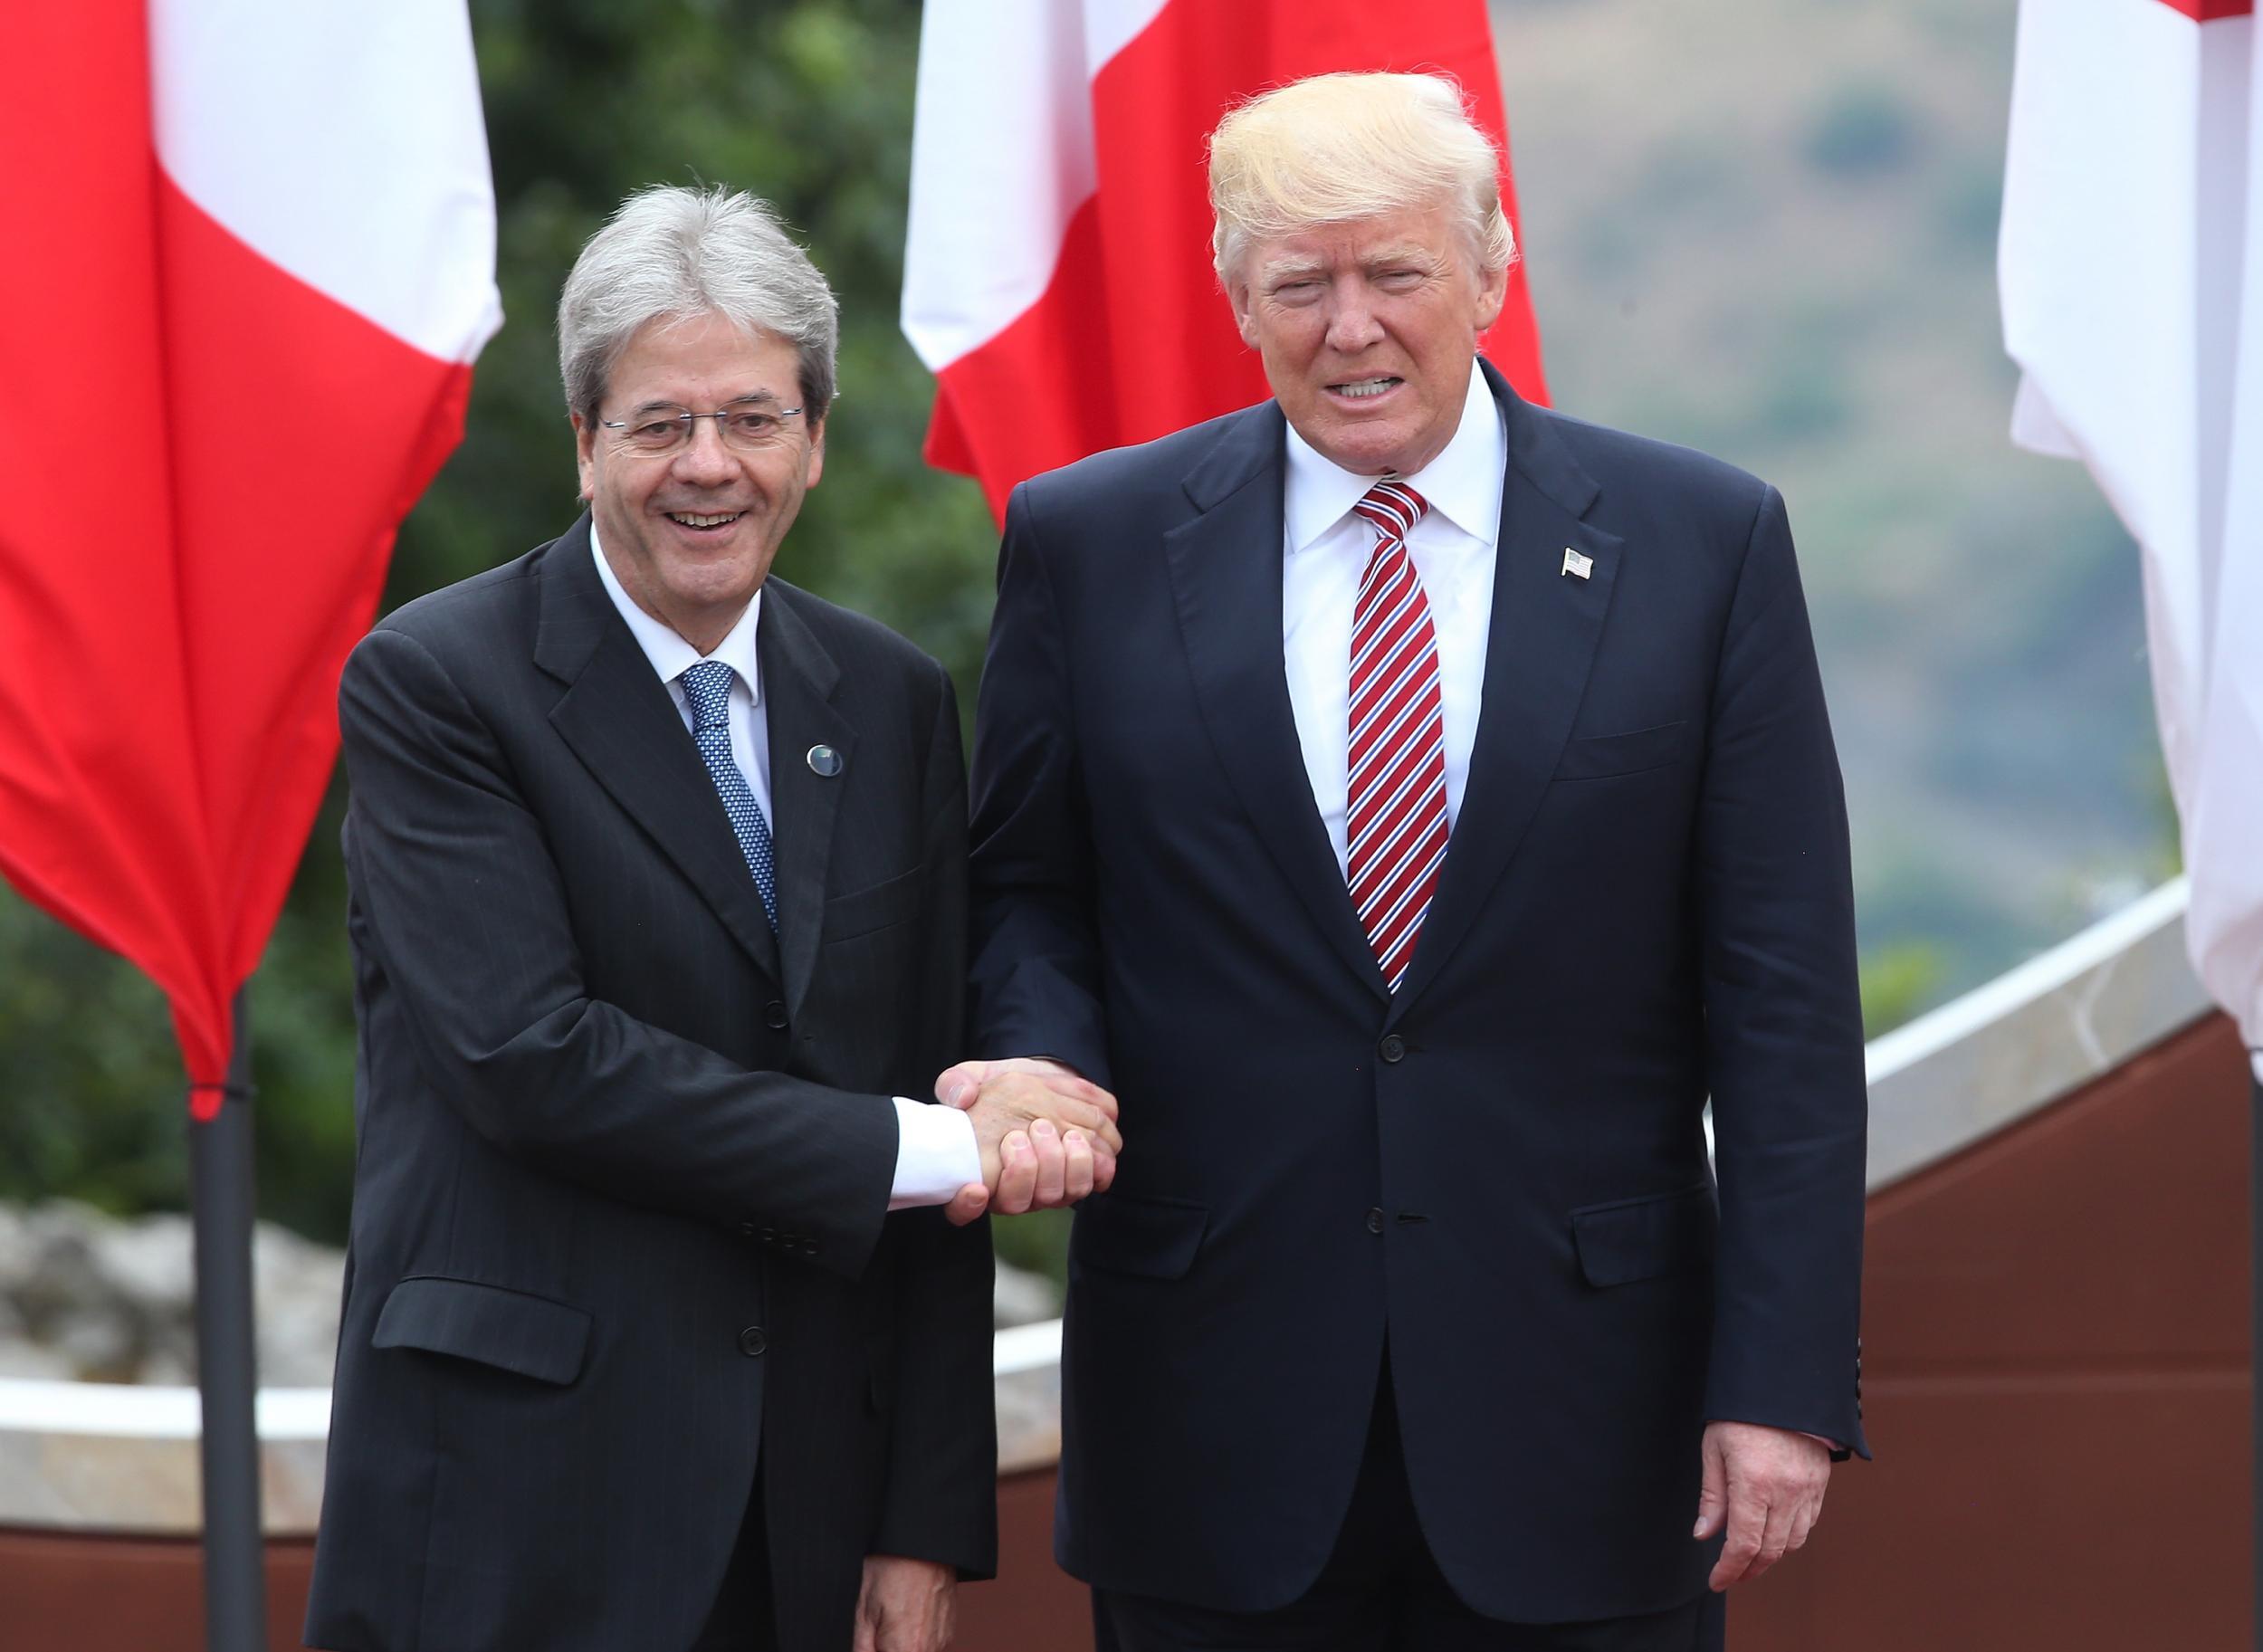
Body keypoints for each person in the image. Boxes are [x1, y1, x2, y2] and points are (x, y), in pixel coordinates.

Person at [959, 72, 1868, 1651]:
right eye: (1301, 283)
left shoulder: (1700, 541)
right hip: (1213, 1408)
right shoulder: (1089, 540)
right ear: (1238, 296)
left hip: (1594, 1417)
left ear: (1491, 271)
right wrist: (1039, 1059)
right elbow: (1028, 883)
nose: (1351, 325)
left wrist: (1783, 1383)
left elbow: (1783, 996)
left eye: (1395, 274)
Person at [305, 185, 1119, 1652]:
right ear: (583, 444)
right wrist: (940, 1144)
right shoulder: (436, 684)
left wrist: (924, 1524)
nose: (708, 467)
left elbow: (935, 1060)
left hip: (806, 1522)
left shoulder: (889, 700)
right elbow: (531, 1059)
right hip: (518, 1510)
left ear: (812, 441)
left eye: (751, 418)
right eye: (659, 422)